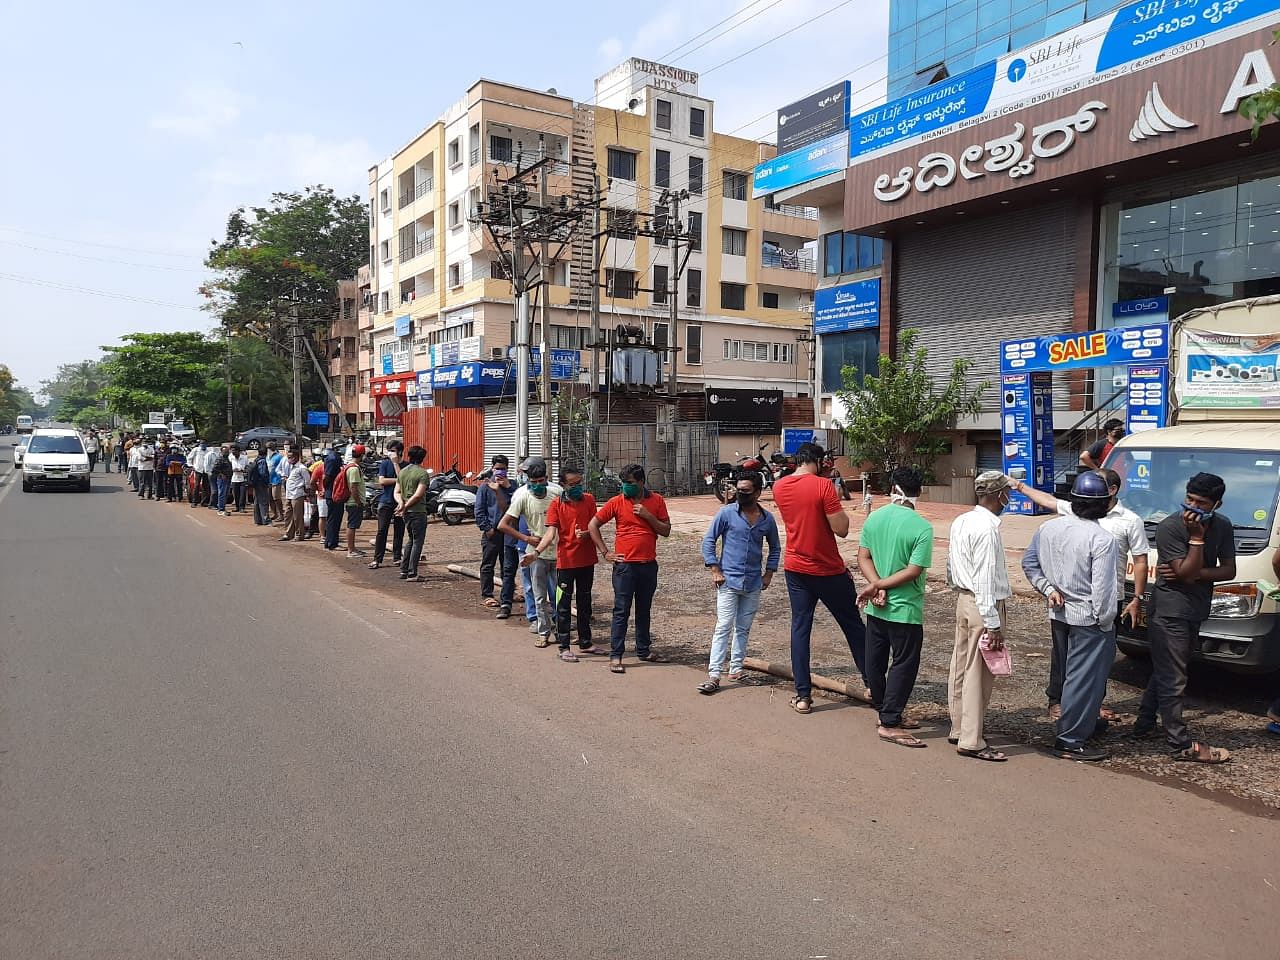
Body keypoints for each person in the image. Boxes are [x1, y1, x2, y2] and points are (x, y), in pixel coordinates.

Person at [1013, 468, 1149, 721]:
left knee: (1095, 663)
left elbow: (1140, 560)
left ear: (1112, 490)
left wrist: (1136, 598)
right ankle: (1061, 706)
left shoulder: (1129, 521)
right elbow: (1049, 502)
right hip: (1073, 602)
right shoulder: (1076, 514)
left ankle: (1090, 705)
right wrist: (1019, 487)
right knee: (1063, 655)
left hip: (1108, 598)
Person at [1135, 472, 1235, 763]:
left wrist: (1192, 574)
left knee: (1167, 671)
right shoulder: (1170, 527)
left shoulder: (1223, 525)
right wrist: (1195, 540)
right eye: (1189, 499)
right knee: (1174, 677)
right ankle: (1179, 744)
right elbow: (1183, 572)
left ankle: (1143, 725)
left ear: (1216, 504)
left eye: (1201, 503)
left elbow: (1228, 571)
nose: (1193, 507)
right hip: (1169, 611)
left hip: (1196, 609)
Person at [1022, 471, 1120, 762]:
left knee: (1069, 675)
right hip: (1089, 618)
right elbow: (1103, 590)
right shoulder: (1103, 539)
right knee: (1084, 679)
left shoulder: (1048, 529)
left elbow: (1029, 563)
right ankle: (1071, 739)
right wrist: (1105, 622)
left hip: (1058, 611)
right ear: (1106, 503)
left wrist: (1047, 588)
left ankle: (1083, 724)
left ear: (1073, 500)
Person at [771, 442, 868, 715]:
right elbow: (842, 530)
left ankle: (802, 696)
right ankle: (873, 684)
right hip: (827, 569)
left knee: (800, 628)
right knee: (853, 626)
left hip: (795, 567)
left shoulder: (779, 487)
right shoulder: (823, 486)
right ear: (818, 460)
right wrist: (832, 494)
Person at [856, 467, 933, 747]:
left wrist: (876, 585)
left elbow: (863, 557)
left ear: (892, 489)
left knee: (875, 661)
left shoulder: (875, 518)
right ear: (919, 492)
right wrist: (883, 587)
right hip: (905, 608)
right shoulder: (922, 526)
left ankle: (885, 711)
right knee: (903, 663)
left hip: (877, 607)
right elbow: (913, 570)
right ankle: (890, 721)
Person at [947, 471, 1015, 762]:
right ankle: (972, 739)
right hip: (982, 602)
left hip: (964, 598)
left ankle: (959, 727)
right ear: (999, 495)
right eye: (1006, 494)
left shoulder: (961, 521)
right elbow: (985, 578)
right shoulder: (987, 530)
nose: (1008, 499)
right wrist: (993, 622)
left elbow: (951, 566)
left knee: (961, 666)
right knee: (978, 672)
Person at [697, 471, 780, 694]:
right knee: (723, 627)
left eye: (745, 490)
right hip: (728, 581)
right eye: (738, 489)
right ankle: (714, 674)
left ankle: (736, 668)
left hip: (753, 583)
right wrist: (714, 569)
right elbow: (708, 541)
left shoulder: (767, 519)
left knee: (743, 628)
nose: (740, 494)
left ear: (757, 492)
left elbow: (775, 548)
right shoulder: (726, 514)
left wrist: (769, 573)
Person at [589, 464, 671, 674]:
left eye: (631, 483)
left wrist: (648, 516)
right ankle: (616, 655)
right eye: (624, 483)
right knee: (621, 610)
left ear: (642, 482)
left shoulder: (657, 501)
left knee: (644, 610)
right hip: (625, 566)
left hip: (647, 565)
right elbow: (593, 525)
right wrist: (605, 552)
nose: (627, 487)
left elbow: (666, 530)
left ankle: (643, 650)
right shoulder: (616, 502)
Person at [525, 464, 606, 661]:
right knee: (562, 605)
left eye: (579, 483)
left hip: (587, 560)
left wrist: (588, 535)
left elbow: (593, 527)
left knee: (585, 603)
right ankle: (563, 646)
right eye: (572, 484)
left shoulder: (589, 500)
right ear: (563, 485)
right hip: (566, 562)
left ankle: (585, 642)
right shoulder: (556, 505)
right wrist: (536, 553)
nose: (577, 487)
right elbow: (550, 534)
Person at [500, 458, 562, 646]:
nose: (536, 485)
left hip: (559, 551)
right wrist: (526, 538)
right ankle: (543, 631)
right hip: (535, 552)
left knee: (559, 594)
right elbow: (503, 524)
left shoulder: (557, 493)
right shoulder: (522, 495)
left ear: (546, 478)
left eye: (540, 481)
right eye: (532, 482)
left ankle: (561, 630)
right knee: (538, 594)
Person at [475, 454, 518, 614]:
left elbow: (515, 505)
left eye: (503, 469)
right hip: (492, 533)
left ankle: (508, 592)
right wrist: (487, 529)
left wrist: (506, 487)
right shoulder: (485, 487)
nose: (500, 472)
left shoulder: (513, 486)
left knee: (508, 565)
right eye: (497, 469)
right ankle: (487, 594)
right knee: (488, 564)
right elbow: (479, 510)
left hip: (509, 532)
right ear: (492, 469)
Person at [394, 445, 431, 581]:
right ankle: (412, 572)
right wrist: (405, 506)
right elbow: (418, 495)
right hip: (418, 511)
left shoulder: (402, 472)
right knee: (417, 541)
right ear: (422, 459)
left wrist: (401, 504)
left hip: (407, 513)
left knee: (410, 539)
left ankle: (404, 570)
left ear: (409, 456)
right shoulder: (422, 473)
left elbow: (397, 492)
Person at [370, 440, 406, 569]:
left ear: (400, 452)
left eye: (393, 451)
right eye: (389, 450)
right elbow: (382, 481)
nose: (391, 453)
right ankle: (377, 559)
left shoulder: (405, 466)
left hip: (400, 502)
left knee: (399, 530)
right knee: (382, 530)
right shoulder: (385, 464)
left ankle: (397, 557)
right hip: (386, 501)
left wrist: (396, 464)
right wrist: (398, 480)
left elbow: (404, 480)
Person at [278, 449, 312, 542]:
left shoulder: (302, 468)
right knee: (288, 515)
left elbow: (307, 482)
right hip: (289, 494)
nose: (289, 459)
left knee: (298, 516)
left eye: (291, 457)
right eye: (288, 457)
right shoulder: (290, 467)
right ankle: (288, 534)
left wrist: (307, 493)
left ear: (296, 457)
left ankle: (299, 535)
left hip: (298, 494)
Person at [342, 444, 367, 559]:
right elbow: (353, 488)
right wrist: (358, 502)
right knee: (351, 525)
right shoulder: (354, 469)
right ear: (361, 455)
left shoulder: (350, 466)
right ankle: (351, 550)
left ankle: (352, 548)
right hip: (353, 502)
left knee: (352, 525)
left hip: (352, 501)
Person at [322, 444, 345, 551]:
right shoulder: (333, 458)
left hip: (333, 492)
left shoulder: (335, 457)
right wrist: (327, 489)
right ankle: (332, 543)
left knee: (334, 519)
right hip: (333, 493)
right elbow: (327, 477)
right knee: (334, 519)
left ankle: (329, 541)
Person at [250, 448, 273, 525]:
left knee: (257, 501)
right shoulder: (262, 461)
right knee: (264, 502)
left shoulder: (256, 459)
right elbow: (263, 473)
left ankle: (258, 520)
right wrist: (267, 482)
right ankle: (266, 520)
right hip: (261, 484)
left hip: (256, 483)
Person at [210, 444, 233, 516]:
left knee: (225, 494)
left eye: (227, 451)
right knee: (222, 494)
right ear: (221, 452)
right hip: (222, 479)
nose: (227, 453)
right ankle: (221, 509)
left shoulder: (227, 459)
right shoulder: (219, 459)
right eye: (225, 452)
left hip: (228, 478)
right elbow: (214, 470)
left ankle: (223, 508)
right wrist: (221, 474)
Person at [267, 442, 286, 522]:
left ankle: (281, 514)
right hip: (268, 480)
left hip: (276, 480)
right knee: (270, 498)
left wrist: (281, 476)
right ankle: (275, 514)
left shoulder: (279, 457)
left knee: (276, 498)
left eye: (270, 447)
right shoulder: (267, 457)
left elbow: (282, 467)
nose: (269, 449)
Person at [190, 440, 211, 507]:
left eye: (204, 443)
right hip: (198, 469)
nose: (203, 445)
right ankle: (194, 502)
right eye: (202, 443)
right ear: (199, 444)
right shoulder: (196, 450)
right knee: (196, 486)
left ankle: (203, 502)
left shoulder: (208, 451)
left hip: (206, 470)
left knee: (206, 486)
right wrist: (191, 466)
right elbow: (189, 458)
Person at [228, 445, 248, 513]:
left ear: (238, 451)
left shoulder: (244, 458)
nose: (233, 452)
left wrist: (241, 469)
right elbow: (228, 466)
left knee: (242, 494)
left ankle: (242, 507)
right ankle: (237, 507)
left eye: (234, 451)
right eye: (232, 451)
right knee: (236, 494)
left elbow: (247, 467)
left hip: (242, 478)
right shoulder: (231, 458)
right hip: (234, 478)